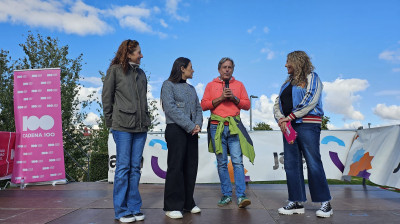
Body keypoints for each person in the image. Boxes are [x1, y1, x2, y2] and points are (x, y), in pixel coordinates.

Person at [273, 50, 333, 218]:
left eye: (288, 61)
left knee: (313, 162)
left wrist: (290, 116)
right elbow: (277, 103)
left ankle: (325, 203)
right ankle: (296, 201)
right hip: (289, 126)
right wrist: (281, 119)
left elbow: (311, 98)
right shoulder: (286, 83)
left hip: (308, 125)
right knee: (291, 164)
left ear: (297, 61)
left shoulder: (312, 77)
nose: (285, 65)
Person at [102, 39, 151, 223]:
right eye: (139, 52)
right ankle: (121, 211)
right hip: (122, 126)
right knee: (122, 168)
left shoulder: (141, 73)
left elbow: (143, 100)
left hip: (140, 127)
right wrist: (111, 123)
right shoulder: (115, 70)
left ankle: (134, 207)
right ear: (129, 53)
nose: (141, 55)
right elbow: (106, 98)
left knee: (135, 168)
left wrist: (146, 119)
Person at [201, 57, 254, 208]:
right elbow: (204, 105)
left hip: (234, 126)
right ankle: (226, 195)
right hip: (216, 126)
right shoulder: (211, 85)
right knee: (222, 162)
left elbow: (247, 105)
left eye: (230, 67)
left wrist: (234, 98)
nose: (227, 69)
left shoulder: (239, 85)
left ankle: (241, 196)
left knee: (237, 161)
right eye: (224, 67)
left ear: (233, 70)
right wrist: (221, 98)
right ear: (219, 69)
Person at [160, 57, 203, 219]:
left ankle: (187, 202)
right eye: (191, 67)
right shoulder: (167, 85)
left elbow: (198, 109)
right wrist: (190, 125)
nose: (193, 70)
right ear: (182, 68)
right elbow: (170, 109)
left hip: (192, 132)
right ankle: (172, 206)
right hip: (176, 131)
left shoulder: (192, 89)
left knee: (191, 168)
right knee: (176, 167)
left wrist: (197, 125)